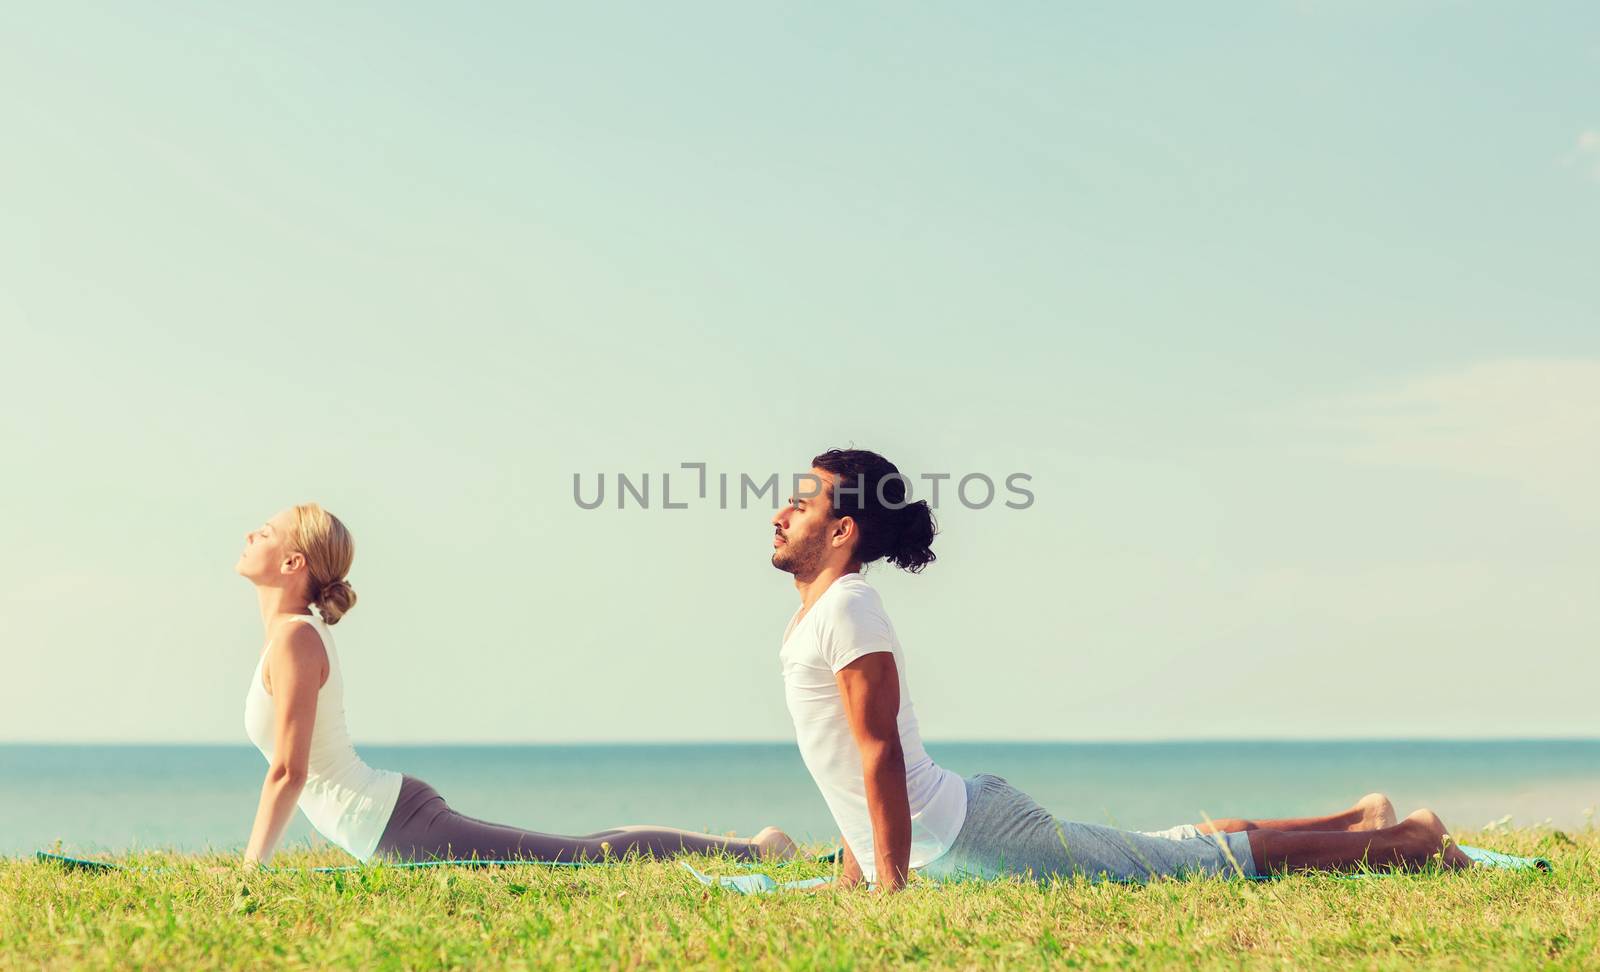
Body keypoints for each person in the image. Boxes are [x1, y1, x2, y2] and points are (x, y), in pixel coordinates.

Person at [769, 448, 1473, 892]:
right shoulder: (822, 613)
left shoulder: (850, 607)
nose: (781, 512)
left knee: (1192, 870)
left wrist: (886, 886)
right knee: (1161, 851)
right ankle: (1360, 817)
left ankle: (1411, 842)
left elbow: (879, 751)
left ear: (842, 530)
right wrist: (858, 871)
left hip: (967, 840)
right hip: (952, 834)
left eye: (800, 503)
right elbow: (847, 768)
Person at [234, 503, 794, 867]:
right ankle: (749, 848)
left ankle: (753, 850)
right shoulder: (291, 637)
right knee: (579, 851)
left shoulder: (296, 641)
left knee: (584, 858)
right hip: (390, 821)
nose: (248, 534)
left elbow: (289, 770)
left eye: (262, 531)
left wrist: (249, 872)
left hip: (397, 826)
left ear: (291, 561)